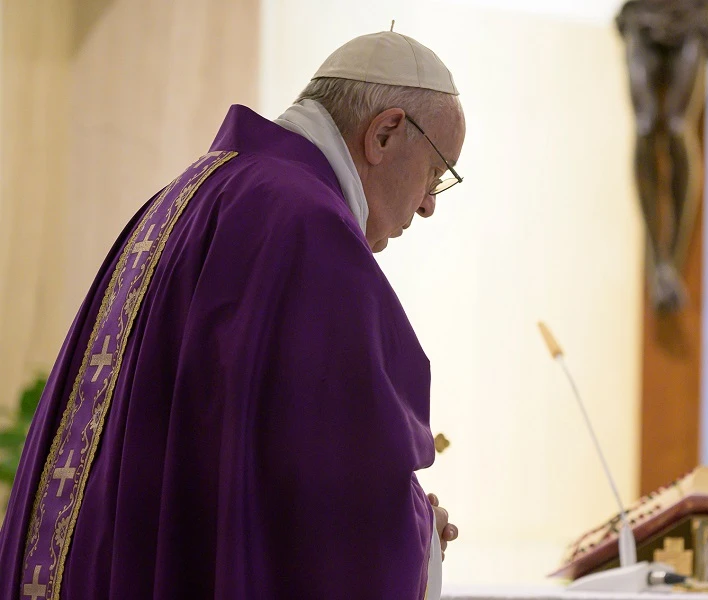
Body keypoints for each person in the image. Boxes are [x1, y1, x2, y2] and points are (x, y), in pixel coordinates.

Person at [0, 30, 464, 599]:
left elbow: (237, 446)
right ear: (385, 133)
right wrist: (418, 536)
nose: (429, 203)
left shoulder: (196, 192)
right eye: (437, 173)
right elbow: (333, 506)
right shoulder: (305, 227)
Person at [616, 0, 708, 312]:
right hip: (644, 14)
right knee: (644, 126)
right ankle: (658, 259)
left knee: (679, 128)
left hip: (689, 15)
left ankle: (671, 264)